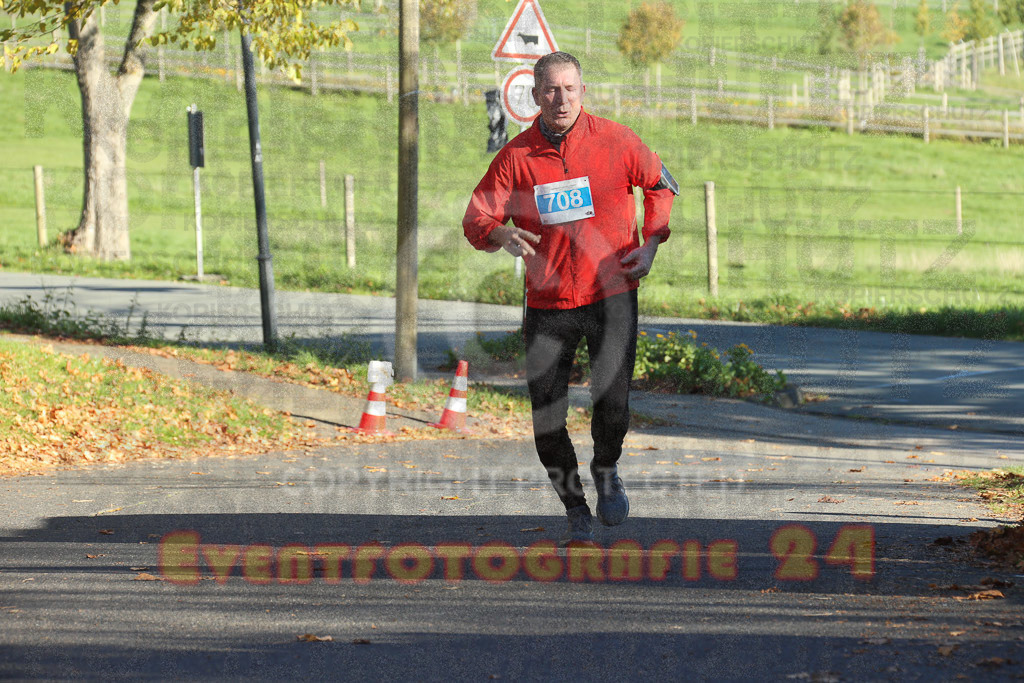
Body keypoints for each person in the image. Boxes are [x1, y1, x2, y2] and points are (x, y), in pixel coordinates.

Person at [463, 51, 678, 544]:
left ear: (583, 90)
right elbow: (476, 218)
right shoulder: (517, 157)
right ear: (535, 96)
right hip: (547, 303)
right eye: (551, 91)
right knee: (547, 419)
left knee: (614, 407)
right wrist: (500, 236)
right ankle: (574, 507)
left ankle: (607, 468)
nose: (561, 99)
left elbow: (661, 185)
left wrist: (650, 244)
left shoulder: (618, 141)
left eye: (570, 89)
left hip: (612, 295)